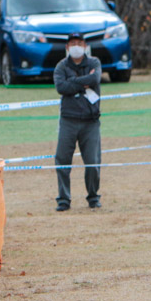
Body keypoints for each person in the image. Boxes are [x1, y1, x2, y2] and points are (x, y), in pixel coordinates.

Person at [53, 32, 102, 210]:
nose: (76, 46)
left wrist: (72, 82)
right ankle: (64, 199)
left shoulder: (94, 63)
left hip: (91, 121)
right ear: (67, 47)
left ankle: (93, 197)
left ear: (85, 46)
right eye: (73, 43)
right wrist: (83, 82)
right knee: (62, 160)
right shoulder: (61, 66)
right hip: (69, 119)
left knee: (93, 162)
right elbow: (61, 87)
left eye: (79, 43)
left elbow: (95, 78)